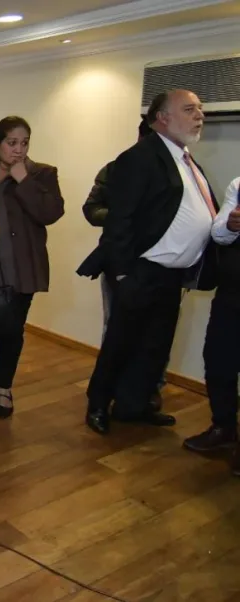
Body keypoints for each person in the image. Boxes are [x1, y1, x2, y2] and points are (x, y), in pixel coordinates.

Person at [78, 89, 216, 435]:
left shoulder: (184, 160)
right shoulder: (139, 158)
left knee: (155, 344)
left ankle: (133, 405)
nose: (199, 116)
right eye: (189, 109)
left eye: (199, 109)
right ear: (162, 117)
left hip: (172, 275)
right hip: (140, 271)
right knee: (121, 342)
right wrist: (124, 273)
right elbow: (119, 220)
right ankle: (98, 404)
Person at [0, 116, 64, 417]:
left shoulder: (42, 173)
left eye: (24, 143)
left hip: (21, 267)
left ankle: (4, 387)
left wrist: (24, 180)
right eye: (12, 142)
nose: (18, 150)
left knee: (11, 330)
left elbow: (51, 213)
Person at [83, 114, 166, 411]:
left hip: (163, 269)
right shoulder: (116, 169)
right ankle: (104, 397)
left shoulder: (182, 173)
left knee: (156, 334)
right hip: (120, 262)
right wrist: (126, 217)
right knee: (117, 328)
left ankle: (146, 392)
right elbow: (91, 210)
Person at [182, 176, 240, 464]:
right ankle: (224, 428)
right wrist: (230, 224)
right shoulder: (238, 185)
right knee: (218, 361)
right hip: (231, 294)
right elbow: (217, 233)